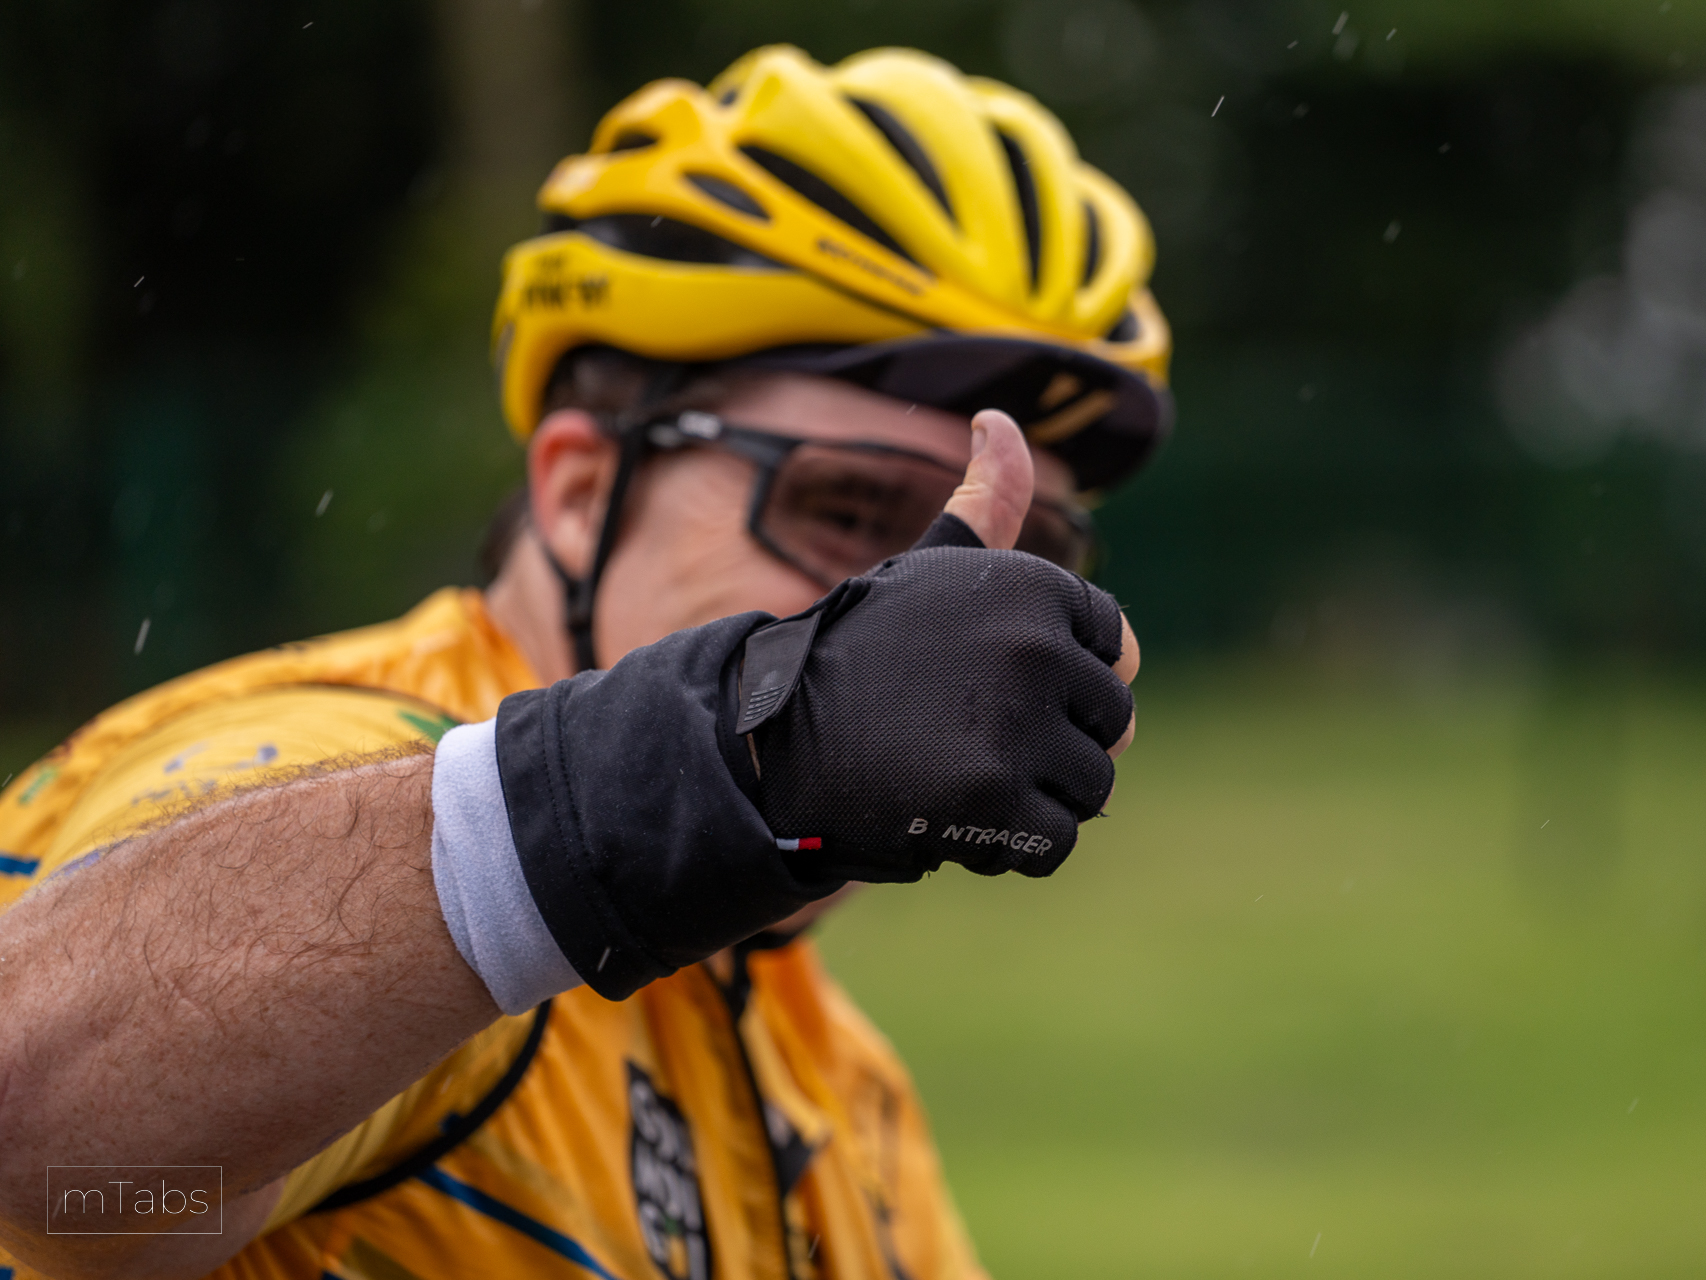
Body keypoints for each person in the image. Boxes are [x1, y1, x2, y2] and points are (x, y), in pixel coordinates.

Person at [0, 44, 1170, 1280]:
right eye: (843, 508)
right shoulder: (334, 772)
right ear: (579, 489)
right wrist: (712, 757)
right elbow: (42, 1151)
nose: (916, 609)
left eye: (1013, 551)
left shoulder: (845, 1094)